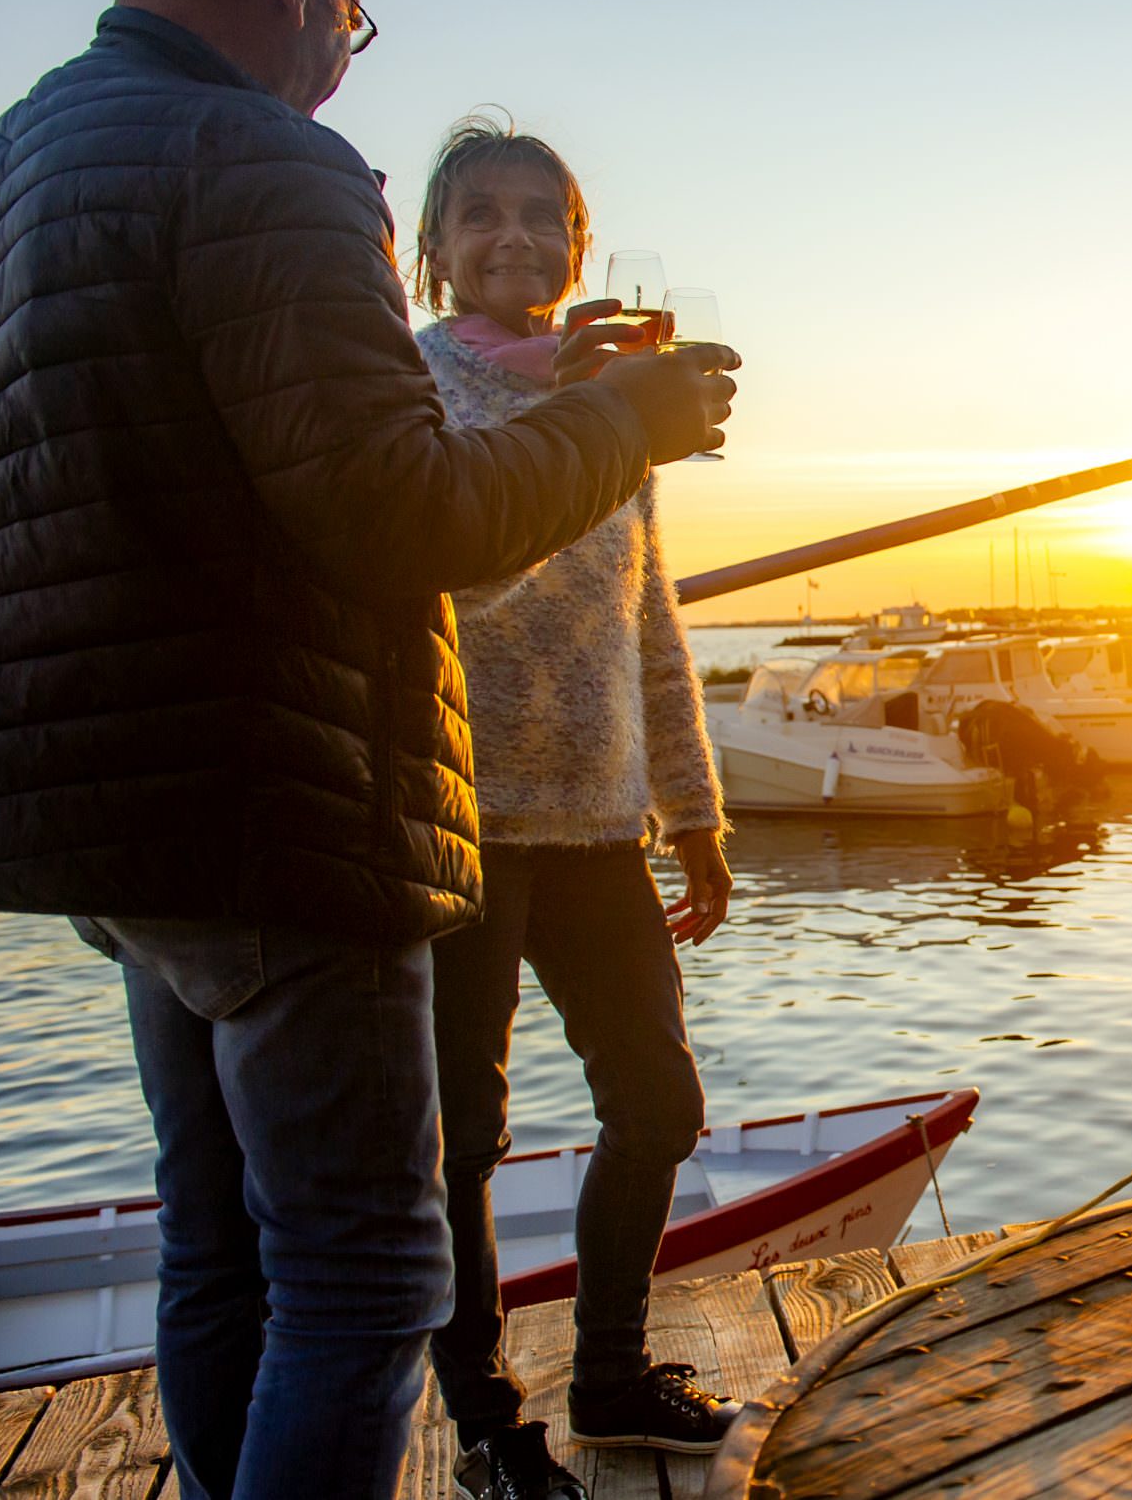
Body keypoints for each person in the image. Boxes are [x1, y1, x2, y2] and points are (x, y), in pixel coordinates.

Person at [0, 0, 736, 1497]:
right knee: (365, 1271)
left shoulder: (13, 154)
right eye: (352, 10)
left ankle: (577, 1379)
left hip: (106, 809)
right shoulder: (267, 161)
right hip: (277, 801)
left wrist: (581, 402)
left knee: (221, 1241)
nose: (343, 53)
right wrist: (624, 412)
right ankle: (490, 1428)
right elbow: (405, 509)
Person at [409, 116, 739, 1499]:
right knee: (459, 1139)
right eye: (480, 215)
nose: (516, 239)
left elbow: (648, 623)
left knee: (658, 1101)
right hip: (463, 819)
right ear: (432, 253)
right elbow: (450, 567)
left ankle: (608, 1369)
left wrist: (699, 809)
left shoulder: (619, 410)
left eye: (545, 217)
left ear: (579, 247)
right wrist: (583, 415)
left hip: (602, 823)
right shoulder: (412, 389)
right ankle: (486, 1420)